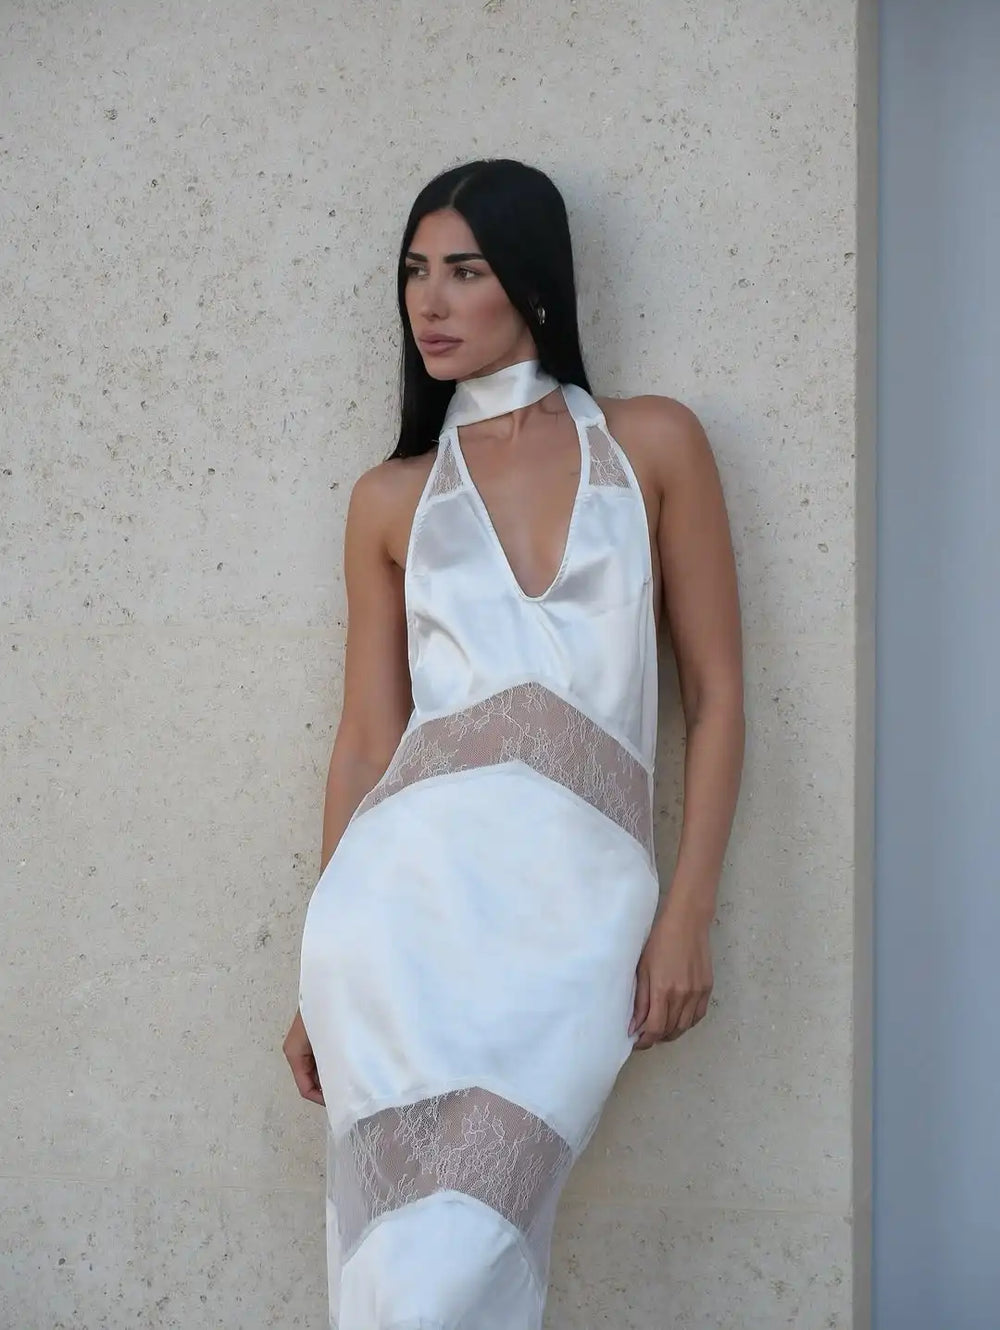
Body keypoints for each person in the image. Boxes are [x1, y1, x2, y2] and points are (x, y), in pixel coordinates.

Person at [283, 158, 745, 1330]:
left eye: (464, 271)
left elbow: (718, 693)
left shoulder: (654, 442)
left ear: (532, 284)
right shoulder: (389, 497)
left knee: (461, 1264)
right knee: (408, 1278)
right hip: (395, 923)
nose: (429, 302)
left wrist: (687, 911)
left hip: (574, 919)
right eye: (414, 273)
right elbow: (365, 743)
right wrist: (311, 982)